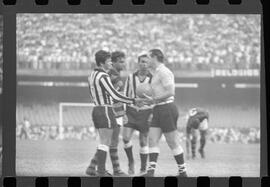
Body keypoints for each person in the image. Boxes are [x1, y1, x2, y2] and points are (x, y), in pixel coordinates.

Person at [85, 50, 145, 176]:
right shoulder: (105, 76)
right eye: (109, 61)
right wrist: (133, 100)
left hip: (97, 108)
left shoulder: (92, 75)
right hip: (106, 109)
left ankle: (95, 168)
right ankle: (102, 170)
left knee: (105, 141)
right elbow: (114, 95)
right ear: (102, 63)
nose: (110, 63)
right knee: (107, 142)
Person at [142, 49, 187, 177]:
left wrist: (154, 99)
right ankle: (150, 172)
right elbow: (157, 92)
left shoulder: (164, 71)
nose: (146, 60)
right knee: (152, 139)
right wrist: (147, 100)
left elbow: (170, 92)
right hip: (158, 108)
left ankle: (183, 172)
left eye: (148, 57)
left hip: (167, 108)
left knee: (172, 141)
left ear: (155, 57)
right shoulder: (155, 73)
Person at [122, 53, 153, 175]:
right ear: (138, 63)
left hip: (146, 112)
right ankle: (131, 162)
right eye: (142, 61)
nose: (144, 64)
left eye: (146, 62)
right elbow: (125, 94)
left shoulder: (153, 78)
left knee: (143, 141)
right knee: (125, 138)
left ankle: (143, 167)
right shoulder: (130, 77)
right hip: (131, 111)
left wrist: (152, 113)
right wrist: (124, 111)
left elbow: (156, 96)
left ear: (149, 64)